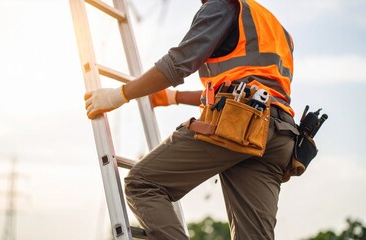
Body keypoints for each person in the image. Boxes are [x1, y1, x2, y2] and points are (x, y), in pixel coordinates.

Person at [84, 0, 299, 239]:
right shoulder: (273, 26)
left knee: (142, 184)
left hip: (240, 125)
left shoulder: (223, 6)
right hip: (278, 135)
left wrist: (119, 95)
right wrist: (174, 97)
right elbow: (247, 88)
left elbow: (177, 65)